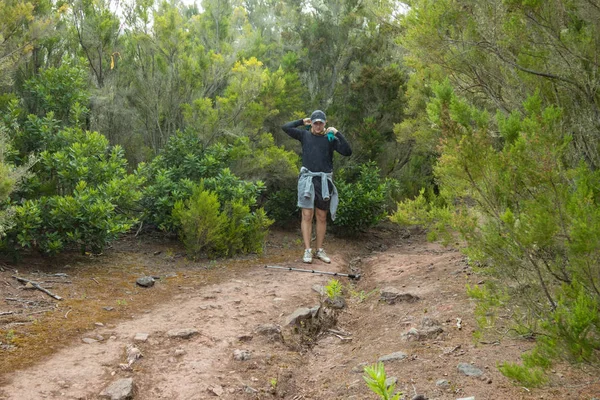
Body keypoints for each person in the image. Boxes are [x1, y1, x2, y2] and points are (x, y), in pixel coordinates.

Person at [282, 110, 352, 264]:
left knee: (321, 216)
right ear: (312, 123)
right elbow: (285, 127)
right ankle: (307, 250)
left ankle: (319, 249)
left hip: (324, 181)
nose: (318, 125)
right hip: (307, 180)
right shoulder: (304, 135)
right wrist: (302, 121)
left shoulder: (330, 139)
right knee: (307, 215)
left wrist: (337, 133)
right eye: (315, 123)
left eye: (321, 123)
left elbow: (348, 151)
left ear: (325, 123)